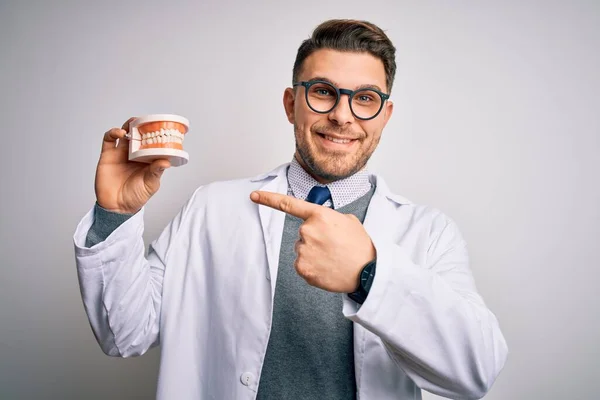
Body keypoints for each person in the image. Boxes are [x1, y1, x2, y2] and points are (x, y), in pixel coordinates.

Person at [73, 19, 508, 400]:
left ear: (385, 114)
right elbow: (124, 333)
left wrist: (369, 276)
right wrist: (115, 214)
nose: (342, 116)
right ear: (290, 103)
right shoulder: (212, 208)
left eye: (366, 99)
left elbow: (475, 372)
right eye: (323, 92)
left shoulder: (428, 233)